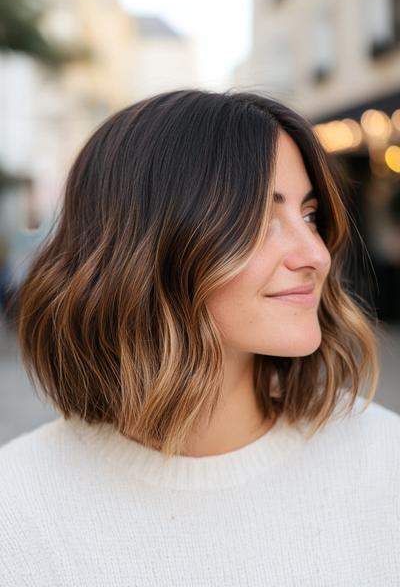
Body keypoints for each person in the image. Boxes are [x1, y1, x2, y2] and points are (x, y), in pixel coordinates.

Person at [0, 89, 399, 586]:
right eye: (259, 219)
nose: (315, 254)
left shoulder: (387, 464)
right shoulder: (17, 511)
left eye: (310, 216)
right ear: (145, 248)